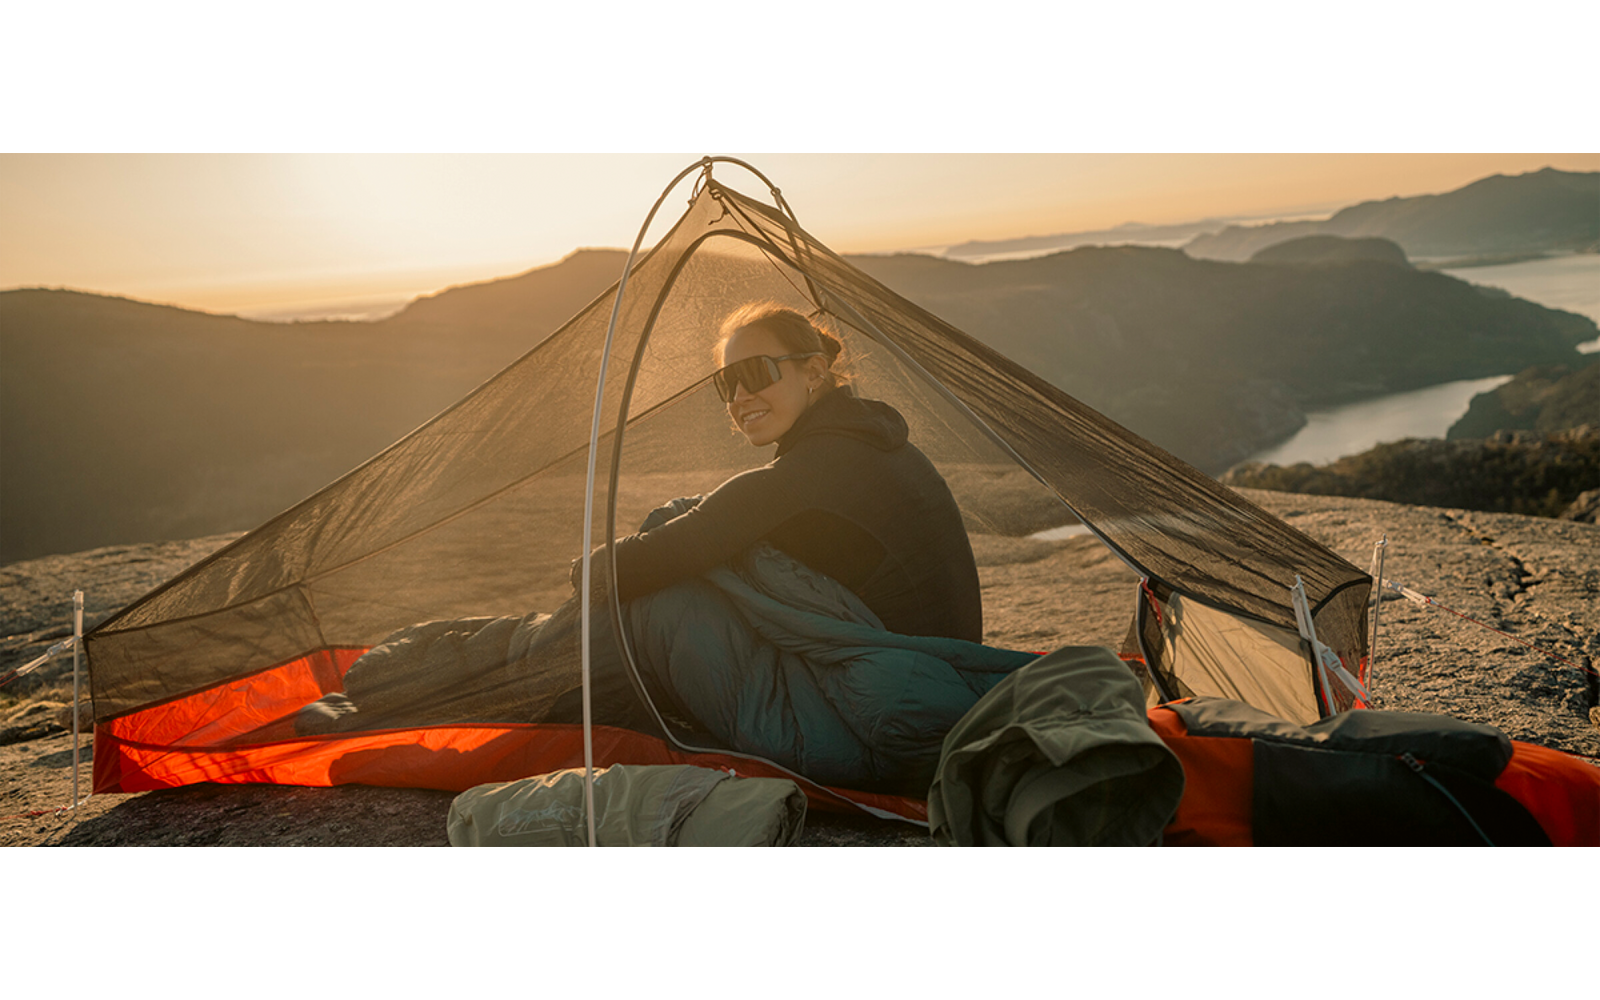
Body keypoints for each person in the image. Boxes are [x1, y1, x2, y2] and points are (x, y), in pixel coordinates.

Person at [607, 302, 984, 643]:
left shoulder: (817, 468)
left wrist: (584, 574)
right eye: (727, 382)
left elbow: (633, 566)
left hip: (908, 684)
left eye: (755, 373)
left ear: (815, 372)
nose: (739, 396)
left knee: (665, 605)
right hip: (926, 659)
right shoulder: (859, 436)